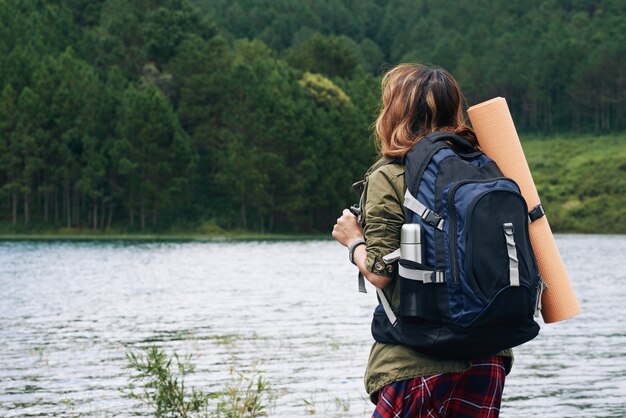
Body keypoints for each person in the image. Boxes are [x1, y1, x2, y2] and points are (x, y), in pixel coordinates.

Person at [332, 64, 512, 418]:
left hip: (418, 358)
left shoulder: (391, 173)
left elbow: (381, 271)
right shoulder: (488, 165)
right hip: (489, 357)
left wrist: (353, 241)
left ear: (395, 113)